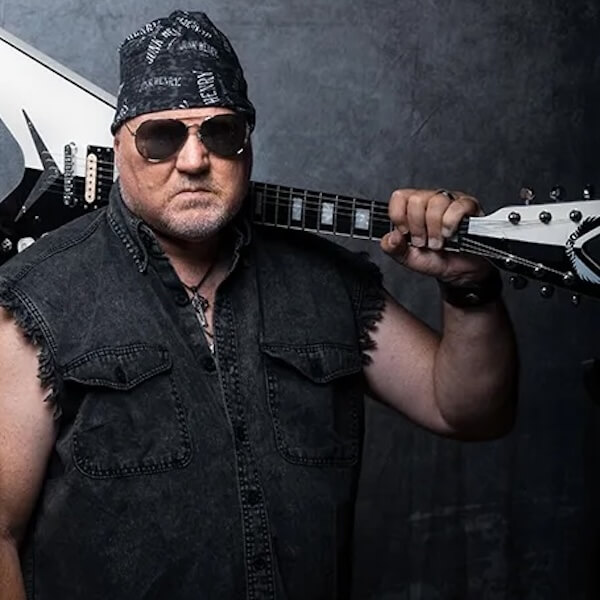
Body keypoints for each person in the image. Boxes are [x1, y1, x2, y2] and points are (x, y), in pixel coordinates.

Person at [0, 10, 518, 600]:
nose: (194, 160)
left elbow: (467, 411)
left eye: (220, 133)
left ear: (247, 144)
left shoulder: (328, 285)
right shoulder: (38, 301)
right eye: (161, 137)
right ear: (120, 146)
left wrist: (470, 287)